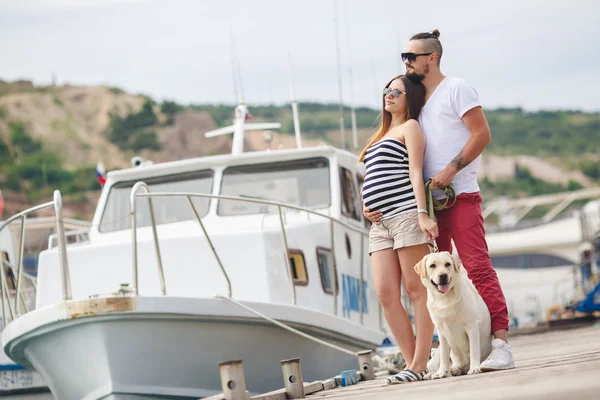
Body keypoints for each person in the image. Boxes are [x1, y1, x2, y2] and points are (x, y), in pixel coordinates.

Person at [368, 28, 516, 371]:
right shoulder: (416, 101)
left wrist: (451, 170)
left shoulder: (457, 89)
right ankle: (440, 353)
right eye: (403, 57)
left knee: (477, 268)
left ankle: (501, 343)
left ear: (431, 58)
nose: (405, 63)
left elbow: (482, 134)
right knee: (430, 278)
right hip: (425, 207)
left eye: (411, 57)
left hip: (459, 194)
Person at [359, 74, 439, 383]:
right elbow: (376, 177)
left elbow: (415, 172)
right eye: (387, 90)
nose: (389, 95)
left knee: (416, 289)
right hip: (379, 224)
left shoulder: (410, 128)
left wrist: (422, 213)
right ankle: (412, 363)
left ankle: (419, 364)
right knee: (385, 293)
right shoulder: (380, 134)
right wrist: (366, 206)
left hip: (406, 214)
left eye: (397, 91)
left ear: (410, 99)